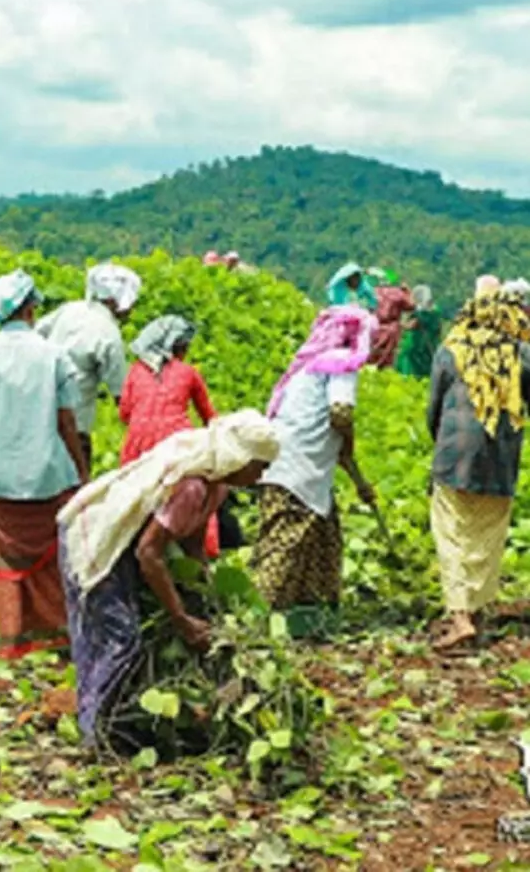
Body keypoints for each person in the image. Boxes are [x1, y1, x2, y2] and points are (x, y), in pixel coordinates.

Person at [58, 411, 279, 752]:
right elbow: (150, 553)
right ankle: (95, 733)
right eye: (259, 467)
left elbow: (190, 539)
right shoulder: (190, 485)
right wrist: (180, 618)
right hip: (98, 540)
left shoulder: (216, 484)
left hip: (132, 543)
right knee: (119, 637)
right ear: (241, 458)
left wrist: (205, 591)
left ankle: (126, 720)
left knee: (157, 624)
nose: (260, 476)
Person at [0, 271, 89, 661]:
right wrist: (81, 469)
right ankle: (58, 636)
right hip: (46, 474)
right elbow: (66, 421)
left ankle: (13, 640)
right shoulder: (53, 355)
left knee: (5, 560)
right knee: (52, 558)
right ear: (28, 309)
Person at [252, 306, 378, 634]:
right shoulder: (340, 364)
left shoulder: (307, 369)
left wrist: (358, 479)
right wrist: (349, 450)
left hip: (286, 464)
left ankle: (309, 619)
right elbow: (340, 414)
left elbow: (333, 438)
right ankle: (254, 623)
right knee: (284, 547)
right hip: (300, 470)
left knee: (324, 538)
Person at [426, 292, 530, 651]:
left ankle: (460, 618)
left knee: (453, 534)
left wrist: (440, 444)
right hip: (501, 458)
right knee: (488, 535)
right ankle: (481, 612)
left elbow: (434, 408)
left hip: (455, 455)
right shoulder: (519, 354)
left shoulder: (451, 349)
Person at [35, 262, 140, 464]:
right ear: (114, 301)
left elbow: (35, 334)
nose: (132, 308)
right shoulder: (109, 335)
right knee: (76, 487)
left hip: (37, 412)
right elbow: (121, 393)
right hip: (74, 426)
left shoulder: (70, 309)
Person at [119, 316, 216, 465]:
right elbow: (209, 417)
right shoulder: (188, 372)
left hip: (137, 447)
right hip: (177, 444)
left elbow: (124, 413)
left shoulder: (135, 371)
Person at [368, 269, 415, 369]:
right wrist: (407, 292)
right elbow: (411, 306)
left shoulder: (373, 292)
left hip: (374, 327)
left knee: (373, 353)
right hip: (391, 328)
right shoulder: (398, 293)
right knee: (387, 358)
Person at [396, 285, 442, 379]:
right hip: (431, 345)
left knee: (411, 368)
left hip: (417, 346)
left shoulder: (422, 313)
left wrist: (396, 323)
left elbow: (411, 325)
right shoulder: (435, 310)